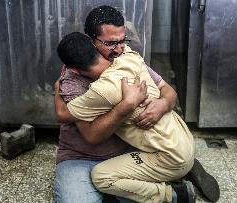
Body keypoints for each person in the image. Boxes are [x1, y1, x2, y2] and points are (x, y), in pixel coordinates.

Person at [54, 5, 219, 203]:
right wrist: (126, 106)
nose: (119, 48)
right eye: (111, 43)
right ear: (90, 41)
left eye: (122, 40)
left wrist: (162, 105)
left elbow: (168, 91)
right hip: (82, 156)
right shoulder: (73, 79)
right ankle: (177, 181)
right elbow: (92, 135)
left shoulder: (125, 56)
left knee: (120, 186)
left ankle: (176, 165)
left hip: (131, 149)